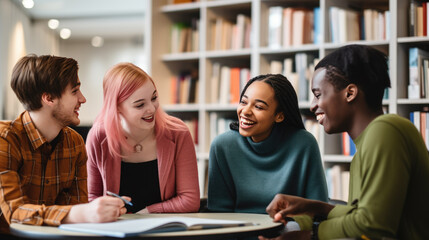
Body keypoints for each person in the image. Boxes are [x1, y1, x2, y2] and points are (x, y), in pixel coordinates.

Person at [261, 45, 429, 240]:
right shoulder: (366, 146)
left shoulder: (386, 130)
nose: (312, 106)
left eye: (318, 95)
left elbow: (371, 226)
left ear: (350, 93)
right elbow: (359, 214)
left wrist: (308, 236)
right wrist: (313, 208)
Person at [0, 54, 128, 234]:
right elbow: (13, 213)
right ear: (49, 98)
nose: (82, 99)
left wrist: (95, 212)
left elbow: (75, 212)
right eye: (75, 91)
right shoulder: (5, 139)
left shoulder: (74, 143)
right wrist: (79, 214)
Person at [86, 62, 200, 214]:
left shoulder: (177, 132)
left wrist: (147, 212)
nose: (152, 109)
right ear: (116, 108)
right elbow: (91, 199)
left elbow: (190, 200)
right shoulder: (99, 137)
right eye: (140, 105)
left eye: (154, 98)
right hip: (116, 229)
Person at [207, 74, 328, 214]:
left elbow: (319, 208)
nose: (245, 111)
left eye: (258, 107)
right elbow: (219, 213)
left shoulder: (304, 144)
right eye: (243, 102)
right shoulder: (222, 146)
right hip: (238, 232)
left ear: (279, 115)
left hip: (288, 231)